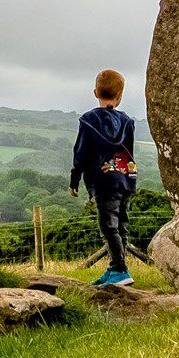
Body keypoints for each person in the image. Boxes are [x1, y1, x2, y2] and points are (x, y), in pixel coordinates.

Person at [68, 69, 140, 286]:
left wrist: (75, 179)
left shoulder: (89, 120)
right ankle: (115, 267)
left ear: (95, 92)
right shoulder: (127, 121)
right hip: (126, 178)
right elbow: (128, 151)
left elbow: (80, 152)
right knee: (120, 224)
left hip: (103, 180)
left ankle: (120, 269)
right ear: (119, 96)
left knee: (107, 224)